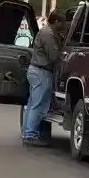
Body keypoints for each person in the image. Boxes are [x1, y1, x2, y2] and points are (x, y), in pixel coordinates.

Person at [21, 10, 67, 147]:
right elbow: (53, 56)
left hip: (36, 71)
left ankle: (28, 133)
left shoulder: (46, 32)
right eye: (62, 23)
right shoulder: (48, 34)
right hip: (41, 72)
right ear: (57, 22)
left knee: (32, 104)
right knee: (38, 104)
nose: (64, 25)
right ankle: (30, 135)